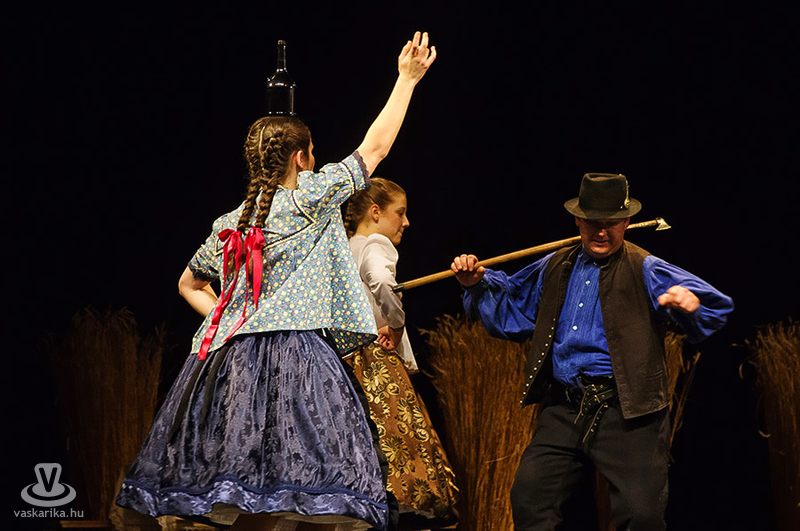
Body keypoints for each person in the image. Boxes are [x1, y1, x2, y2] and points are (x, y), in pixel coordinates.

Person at [116, 32, 436, 531]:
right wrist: (407, 80)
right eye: (312, 154)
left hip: (228, 365)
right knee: (301, 491)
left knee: (252, 497)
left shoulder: (230, 223)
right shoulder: (309, 199)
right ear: (300, 159)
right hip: (296, 362)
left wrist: (236, 319)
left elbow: (188, 284)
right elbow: (374, 148)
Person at [450, 173, 734, 531]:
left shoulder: (645, 267)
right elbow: (513, 308)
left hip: (628, 412)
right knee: (529, 498)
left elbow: (713, 307)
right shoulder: (556, 264)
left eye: (610, 223)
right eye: (593, 223)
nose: (602, 232)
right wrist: (476, 284)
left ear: (626, 222)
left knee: (641, 515)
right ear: (577, 221)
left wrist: (690, 306)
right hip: (566, 407)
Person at [343, 178, 459, 529]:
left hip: (345, 364)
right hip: (376, 362)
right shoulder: (375, 244)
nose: (406, 223)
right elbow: (380, 280)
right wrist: (394, 325)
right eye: (400, 213)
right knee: (400, 452)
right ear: (375, 213)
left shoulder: (344, 248)